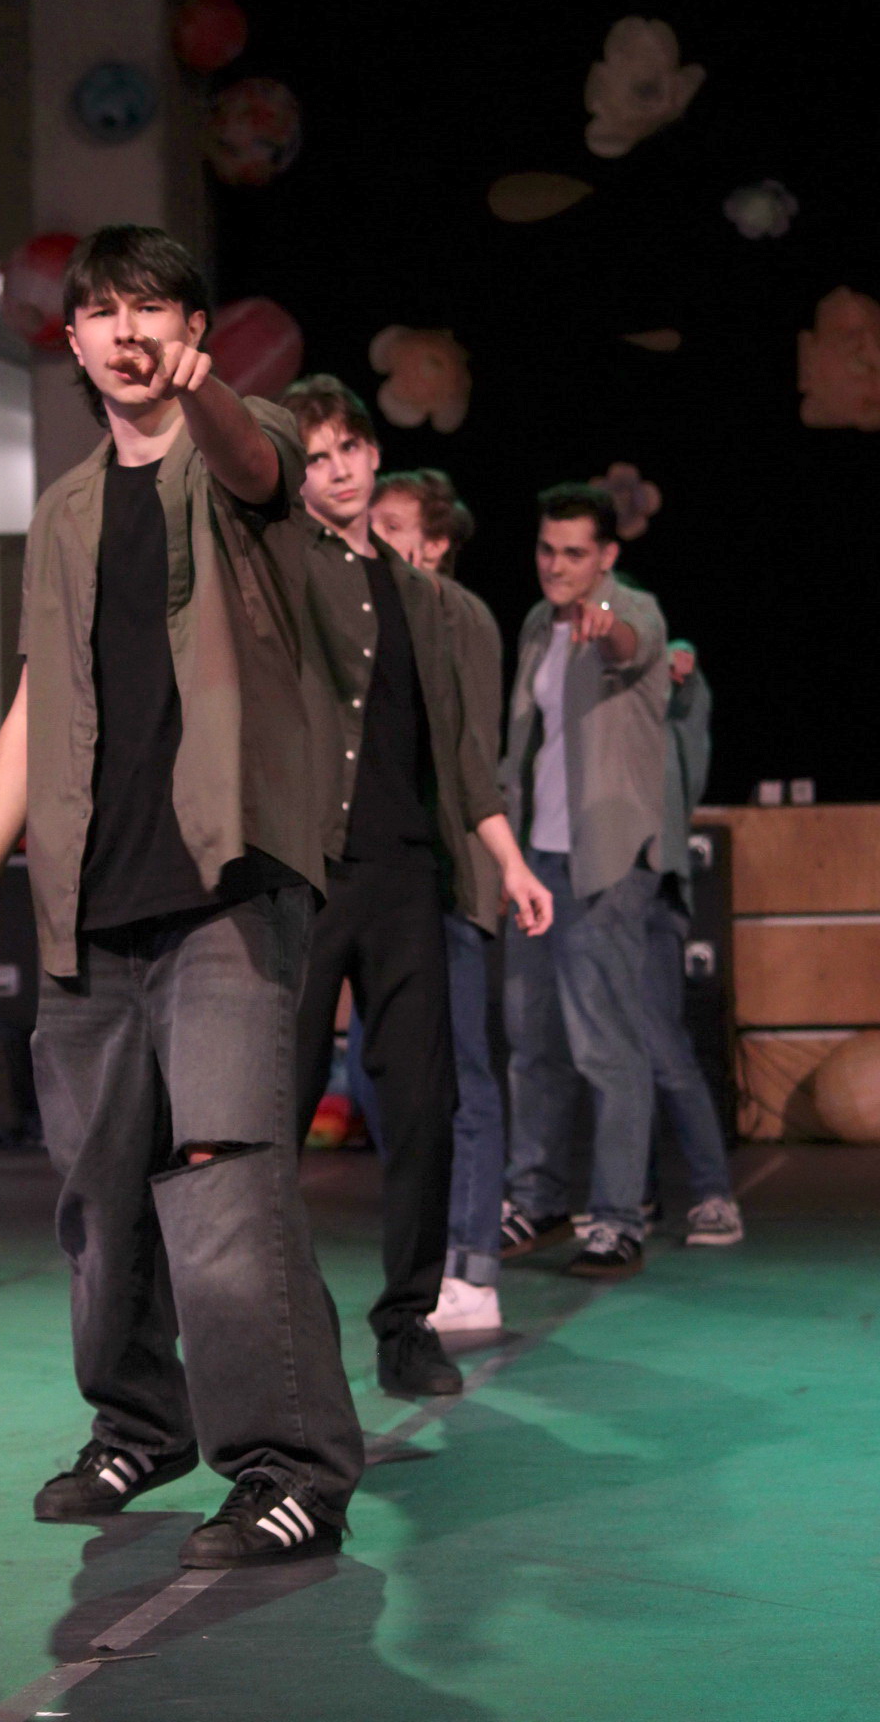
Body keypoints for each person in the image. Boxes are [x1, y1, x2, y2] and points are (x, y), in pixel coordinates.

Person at [0, 226, 363, 1569]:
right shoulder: (64, 510)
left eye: (156, 309)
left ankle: (291, 1468)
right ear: (70, 337)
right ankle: (137, 1425)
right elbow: (33, 705)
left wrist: (206, 391)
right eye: (105, 311)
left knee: (227, 1185)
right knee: (100, 1202)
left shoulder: (242, 446)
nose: (129, 331)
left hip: (224, 887)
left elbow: (257, 464)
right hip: (86, 901)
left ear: (192, 329)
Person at [280, 376, 552, 1398]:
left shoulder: (424, 598)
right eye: (316, 456)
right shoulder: (282, 566)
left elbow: (459, 749)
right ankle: (278, 1335)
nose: (339, 469)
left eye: (349, 448)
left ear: (372, 453)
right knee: (280, 1105)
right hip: (308, 875)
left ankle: (407, 1325)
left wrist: (509, 860)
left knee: (425, 1104)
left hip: (406, 875)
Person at [500, 482, 668, 1279]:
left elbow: (633, 645)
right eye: (546, 549)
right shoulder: (539, 623)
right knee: (531, 1042)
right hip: (537, 860)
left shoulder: (631, 611)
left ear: (606, 556)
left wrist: (608, 629)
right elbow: (523, 744)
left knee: (607, 1047)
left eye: (574, 553)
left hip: (604, 863)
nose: (556, 565)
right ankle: (536, 1200)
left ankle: (618, 1217)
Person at [369, 470, 506, 1334]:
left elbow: (468, 755)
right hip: (399, 878)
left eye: (393, 524)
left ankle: (474, 1264)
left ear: (436, 542)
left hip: (454, 871)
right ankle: (432, 1251)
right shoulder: (381, 605)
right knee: (387, 1075)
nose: (375, 535)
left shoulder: (455, 614)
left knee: (465, 1075)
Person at [646, 640, 744, 1245]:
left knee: (663, 1046)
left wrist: (680, 657)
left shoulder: (670, 722)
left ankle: (714, 1194)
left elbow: (687, 688)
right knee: (617, 1054)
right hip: (597, 895)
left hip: (652, 892)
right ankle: (633, 1195)